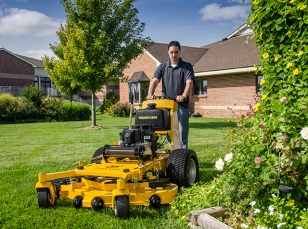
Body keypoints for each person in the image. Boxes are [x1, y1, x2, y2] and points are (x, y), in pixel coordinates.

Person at [146, 41, 195, 149]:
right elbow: (154, 81)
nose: (174, 55)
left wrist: (183, 95)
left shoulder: (186, 66)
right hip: (167, 105)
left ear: (180, 52)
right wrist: (150, 94)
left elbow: (189, 82)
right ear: (168, 52)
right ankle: (174, 152)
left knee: (182, 131)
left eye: (176, 52)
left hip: (181, 104)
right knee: (167, 131)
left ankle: (184, 153)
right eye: (171, 52)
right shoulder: (163, 67)